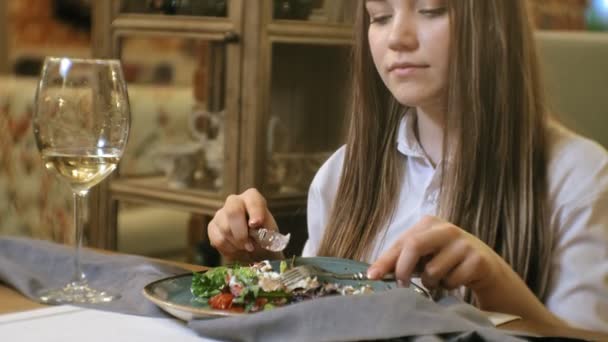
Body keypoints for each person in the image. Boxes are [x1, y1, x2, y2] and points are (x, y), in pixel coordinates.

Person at [207, 0, 608, 333]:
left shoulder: (581, 179)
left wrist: (495, 282)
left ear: (492, 21)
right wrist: (263, 272)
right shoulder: (339, 175)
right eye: (379, 16)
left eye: (431, 9)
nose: (397, 37)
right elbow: (320, 321)